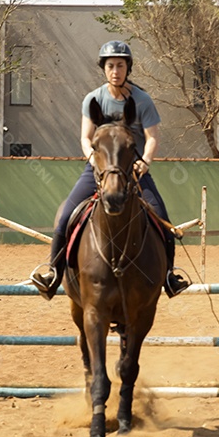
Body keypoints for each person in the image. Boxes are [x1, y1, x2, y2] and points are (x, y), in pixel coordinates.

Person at [29, 40, 191, 301]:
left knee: (162, 220)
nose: (115, 70)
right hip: (98, 169)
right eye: (111, 66)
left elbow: (151, 138)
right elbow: (85, 137)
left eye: (120, 65)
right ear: (104, 69)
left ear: (128, 68)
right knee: (65, 217)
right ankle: (52, 273)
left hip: (133, 171)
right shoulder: (93, 99)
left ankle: (169, 276)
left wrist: (145, 161)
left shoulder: (143, 100)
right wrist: (93, 158)